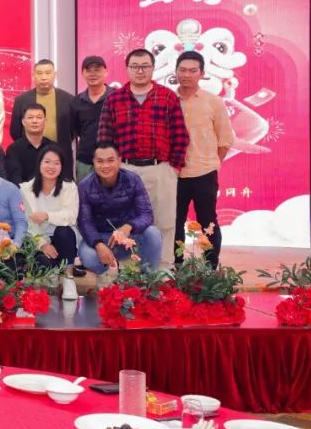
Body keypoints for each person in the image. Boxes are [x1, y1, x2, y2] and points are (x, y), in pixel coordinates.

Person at [97, 48, 189, 267]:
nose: (140, 71)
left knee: (165, 222)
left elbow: (180, 136)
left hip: (160, 169)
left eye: (145, 66)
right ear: (127, 69)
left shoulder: (167, 97)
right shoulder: (114, 100)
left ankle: (164, 270)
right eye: (135, 66)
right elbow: (104, 140)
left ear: (153, 68)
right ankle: (130, 271)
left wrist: (172, 168)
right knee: (125, 222)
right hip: (125, 171)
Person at [173, 51, 235, 268]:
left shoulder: (213, 102)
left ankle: (210, 266)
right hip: (174, 173)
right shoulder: (168, 100)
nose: (186, 75)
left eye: (192, 71)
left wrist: (212, 164)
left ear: (202, 73)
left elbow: (225, 140)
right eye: (182, 70)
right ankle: (176, 266)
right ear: (175, 72)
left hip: (204, 173)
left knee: (208, 221)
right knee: (174, 222)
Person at [77, 142, 162, 278]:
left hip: (129, 237)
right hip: (101, 238)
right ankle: (112, 277)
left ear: (119, 160)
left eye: (110, 160)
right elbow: (84, 222)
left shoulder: (133, 180)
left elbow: (146, 214)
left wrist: (129, 226)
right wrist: (98, 244)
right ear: (94, 162)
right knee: (88, 257)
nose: (105, 166)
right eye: (100, 161)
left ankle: (148, 280)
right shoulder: (85, 186)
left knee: (153, 233)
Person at [19, 144, 79, 272]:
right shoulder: (25, 189)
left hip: (63, 240)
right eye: (47, 162)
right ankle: (54, 272)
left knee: (64, 231)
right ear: (39, 163)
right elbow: (27, 224)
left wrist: (47, 216)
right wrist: (43, 244)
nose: (51, 167)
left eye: (56, 163)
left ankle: (68, 275)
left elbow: (71, 216)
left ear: (62, 166)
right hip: (39, 239)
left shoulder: (69, 187)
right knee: (43, 264)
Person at [10, 59, 75, 165]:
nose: (44, 77)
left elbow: (73, 130)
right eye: (39, 73)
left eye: (48, 73)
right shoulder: (21, 100)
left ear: (55, 75)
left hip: (60, 155)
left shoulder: (69, 100)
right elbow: (15, 131)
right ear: (33, 75)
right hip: (28, 156)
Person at [5, 103, 72, 184]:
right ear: (23, 122)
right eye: (30, 117)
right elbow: (14, 179)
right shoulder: (13, 149)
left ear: (45, 121)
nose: (35, 121)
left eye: (39, 117)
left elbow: (64, 176)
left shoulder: (55, 148)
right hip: (23, 191)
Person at [70, 55, 109, 182]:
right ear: (83, 73)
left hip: (110, 160)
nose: (93, 74)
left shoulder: (115, 97)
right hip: (85, 162)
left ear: (105, 71)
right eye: (88, 70)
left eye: (97, 70)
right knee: (84, 193)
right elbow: (76, 130)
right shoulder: (76, 101)